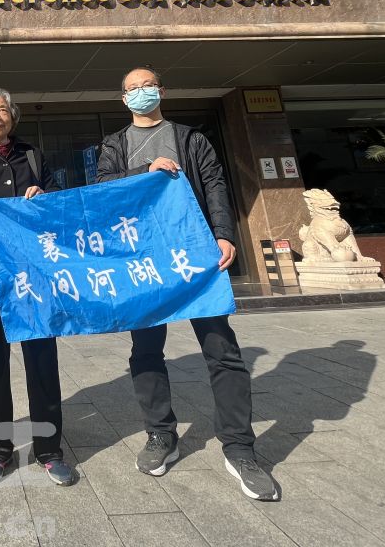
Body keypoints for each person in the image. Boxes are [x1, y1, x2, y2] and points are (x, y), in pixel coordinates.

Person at [96, 66, 279, 502]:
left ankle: (240, 448)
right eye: (133, 88)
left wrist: (224, 234)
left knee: (223, 350)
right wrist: (146, 168)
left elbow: (215, 184)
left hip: (195, 254)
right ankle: (161, 433)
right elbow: (102, 186)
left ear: (162, 90)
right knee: (145, 350)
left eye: (148, 85)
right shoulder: (115, 145)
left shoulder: (192, 139)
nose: (141, 92)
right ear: (123, 99)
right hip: (144, 259)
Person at [0, 88, 78, 487]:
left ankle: (49, 450)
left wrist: (44, 196)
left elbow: (57, 204)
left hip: (33, 273)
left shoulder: (32, 155)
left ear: (12, 117)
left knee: (42, 361)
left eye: (3, 109)